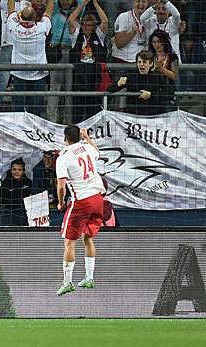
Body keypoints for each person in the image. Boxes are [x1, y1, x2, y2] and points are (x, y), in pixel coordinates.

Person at [55, 125, 105, 296]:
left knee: (69, 242)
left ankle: (67, 282)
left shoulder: (63, 156)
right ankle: (89, 277)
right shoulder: (87, 147)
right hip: (98, 198)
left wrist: (60, 203)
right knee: (88, 237)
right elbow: (98, 152)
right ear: (79, 136)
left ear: (65, 138)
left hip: (81, 200)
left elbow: (61, 185)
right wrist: (87, 137)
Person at [7, 0, 55, 117]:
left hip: (19, 74)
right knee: (36, 112)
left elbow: (11, 8)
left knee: (18, 112)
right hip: (38, 75)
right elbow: (49, 11)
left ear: (20, 17)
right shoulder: (42, 28)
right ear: (35, 17)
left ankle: (19, 132)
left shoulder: (14, 27)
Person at [68, 0, 109, 120]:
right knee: (78, 110)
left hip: (94, 76)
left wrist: (95, 3)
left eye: (90, 25)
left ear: (94, 27)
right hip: (79, 77)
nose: (87, 27)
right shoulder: (76, 36)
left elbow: (105, 21)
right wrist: (82, 4)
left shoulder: (98, 36)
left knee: (93, 110)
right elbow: (71, 21)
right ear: (81, 25)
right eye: (85, 25)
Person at [108, 49, 174, 115]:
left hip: (153, 115)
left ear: (151, 64)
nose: (141, 64)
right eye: (139, 62)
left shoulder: (157, 76)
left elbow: (170, 93)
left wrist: (151, 95)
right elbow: (109, 90)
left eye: (144, 62)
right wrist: (118, 84)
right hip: (133, 116)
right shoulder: (130, 76)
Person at [0, 158, 33, 226]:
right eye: (14, 169)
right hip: (8, 215)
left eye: (19, 170)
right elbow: (3, 199)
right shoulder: (5, 183)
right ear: (10, 170)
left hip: (24, 215)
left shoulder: (29, 183)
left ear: (23, 171)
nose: (16, 172)